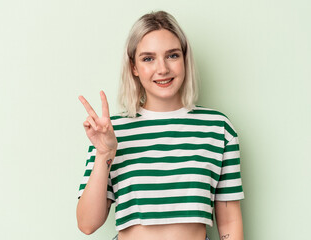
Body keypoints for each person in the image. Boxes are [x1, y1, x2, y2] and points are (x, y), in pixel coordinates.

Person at [76, 10, 244, 240]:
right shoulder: (111, 131)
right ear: (134, 67)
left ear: (184, 59)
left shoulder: (218, 129)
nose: (162, 69)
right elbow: (87, 224)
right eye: (148, 58)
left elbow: (230, 222)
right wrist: (104, 152)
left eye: (172, 55)